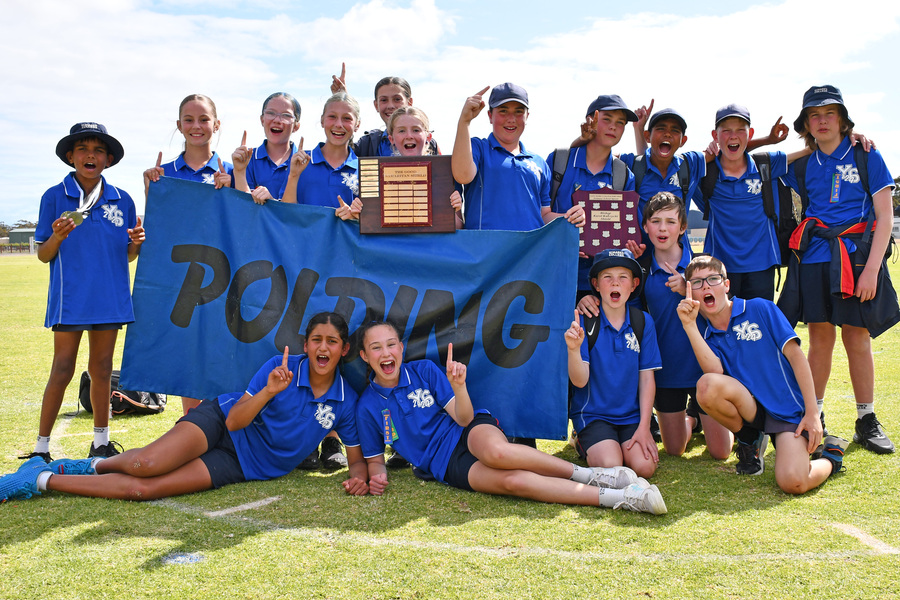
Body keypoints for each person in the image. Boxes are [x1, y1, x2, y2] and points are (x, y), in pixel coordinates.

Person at [0, 313, 369, 503]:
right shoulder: (280, 368)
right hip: (221, 422)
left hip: (242, 464)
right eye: (316, 340)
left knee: (142, 490)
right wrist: (269, 391)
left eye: (332, 342)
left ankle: (41, 478)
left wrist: (361, 477)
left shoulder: (345, 400)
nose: (324, 348)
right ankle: (92, 465)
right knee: (145, 463)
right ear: (305, 344)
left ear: (344, 349)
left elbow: (355, 459)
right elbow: (238, 420)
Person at [355, 321, 667, 515]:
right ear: (365, 356)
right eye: (376, 348)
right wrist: (376, 475)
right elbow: (373, 459)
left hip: (467, 430)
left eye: (391, 344)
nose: (386, 353)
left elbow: (463, 418)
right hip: (444, 464)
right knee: (514, 481)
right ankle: (619, 497)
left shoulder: (422, 370)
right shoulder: (367, 406)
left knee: (497, 452)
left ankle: (593, 475)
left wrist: (459, 387)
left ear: (401, 346)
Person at [779, 85, 898, 454]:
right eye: (814, 115)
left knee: (857, 338)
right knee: (819, 339)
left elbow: (884, 214)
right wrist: (809, 145)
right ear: (806, 124)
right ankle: (815, 415)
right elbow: (756, 162)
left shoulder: (867, 156)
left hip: (857, 258)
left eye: (830, 113)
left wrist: (871, 270)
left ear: (844, 120)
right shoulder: (800, 163)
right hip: (815, 256)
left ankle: (866, 419)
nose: (823, 120)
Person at [19, 122, 144, 463]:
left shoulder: (123, 199)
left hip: (110, 297)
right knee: (62, 368)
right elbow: (44, 254)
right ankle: (41, 448)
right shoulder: (54, 196)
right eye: (84, 149)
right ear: (71, 156)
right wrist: (57, 236)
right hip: (71, 298)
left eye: (98, 150)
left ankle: (101, 442)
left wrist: (134, 245)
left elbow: (128, 255)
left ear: (108, 159)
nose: (91, 155)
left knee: (103, 369)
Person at [676, 255, 849, 492]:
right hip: (753, 410)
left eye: (713, 279)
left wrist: (812, 412)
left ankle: (831, 456)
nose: (705, 286)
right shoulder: (705, 336)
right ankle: (750, 439)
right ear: (691, 293)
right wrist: (689, 326)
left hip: (787, 411)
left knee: (793, 482)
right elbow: (714, 375)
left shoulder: (759, 308)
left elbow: (797, 358)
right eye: (697, 282)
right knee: (706, 386)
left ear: (726, 285)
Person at [143, 93, 234, 416]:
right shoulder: (163, 174)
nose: (197, 126)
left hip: (223, 279)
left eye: (204, 119)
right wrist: (149, 192)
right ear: (179, 125)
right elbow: (159, 233)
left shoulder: (231, 172)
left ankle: (225, 435)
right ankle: (192, 432)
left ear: (217, 124)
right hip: (181, 282)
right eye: (189, 120)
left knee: (221, 355)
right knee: (188, 359)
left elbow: (245, 230)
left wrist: (236, 191)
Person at [635, 193, 733, 458]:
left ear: (683, 227)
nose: (663, 228)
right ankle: (693, 420)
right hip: (666, 371)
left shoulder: (701, 266)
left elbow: (725, 311)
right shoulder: (640, 269)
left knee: (721, 452)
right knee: (675, 450)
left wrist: (691, 291)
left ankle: (734, 423)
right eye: (655, 221)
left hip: (704, 369)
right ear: (645, 226)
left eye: (670, 221)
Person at [566, 249, 662, 479]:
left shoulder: (642, 321)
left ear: (634, 284)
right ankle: (582, 441)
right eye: (607, 277)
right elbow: (580, 380)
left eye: (623, 277)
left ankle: (618, 442)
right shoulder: (586, 321)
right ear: (596, 285)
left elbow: (647, 378)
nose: (615, 283)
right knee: (611, 466)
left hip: (631, 417)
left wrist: (645, 426)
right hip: (594, 415)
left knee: (645, 468)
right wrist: (572, 350)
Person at [451, 83, 584, 231]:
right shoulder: (478, 148)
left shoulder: (539, 163)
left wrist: (568, 216)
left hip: (529, 251)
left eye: (518, 112)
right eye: (503, 111)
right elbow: (462, 176)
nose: (511, 119)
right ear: (490, 116)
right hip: (486, 250)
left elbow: (543, 215)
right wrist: (465, 121)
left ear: (527, 116)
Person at [547, 94, 637, 296]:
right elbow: (539, 215)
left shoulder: (623, 175)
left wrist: (630, 247)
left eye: (620, 123)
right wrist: (567, 231)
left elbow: (624, 228)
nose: (613, 127)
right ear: (590, 120)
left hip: (601, 284)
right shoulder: (559, 161)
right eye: (607, 119)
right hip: (556, 275)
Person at [329, 65, 440, 157]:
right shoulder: (368, 144)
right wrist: (342, 99)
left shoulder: (427, 143)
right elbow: (343, 157)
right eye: (384, 100)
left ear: (409, 103)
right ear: (376, 105)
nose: (390, 105)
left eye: (397, 99)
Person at [282, 92, 362, 221]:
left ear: (357, 124)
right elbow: (286, 215)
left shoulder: (365, 170)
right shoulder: (300, 162)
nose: (338, 124)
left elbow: (369, 222)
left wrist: (355, 217)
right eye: (332, 116)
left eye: (347, 118)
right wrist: (293, 176)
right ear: (322, 120)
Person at [231, 92, 302, 203]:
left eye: (286, 115)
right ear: (262, 120)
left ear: (296, 126)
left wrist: (271, 201)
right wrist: (239, 172)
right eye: (271, 113)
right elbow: (243, 207)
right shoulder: (247, 159)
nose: (277, 120)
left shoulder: (305, 163)